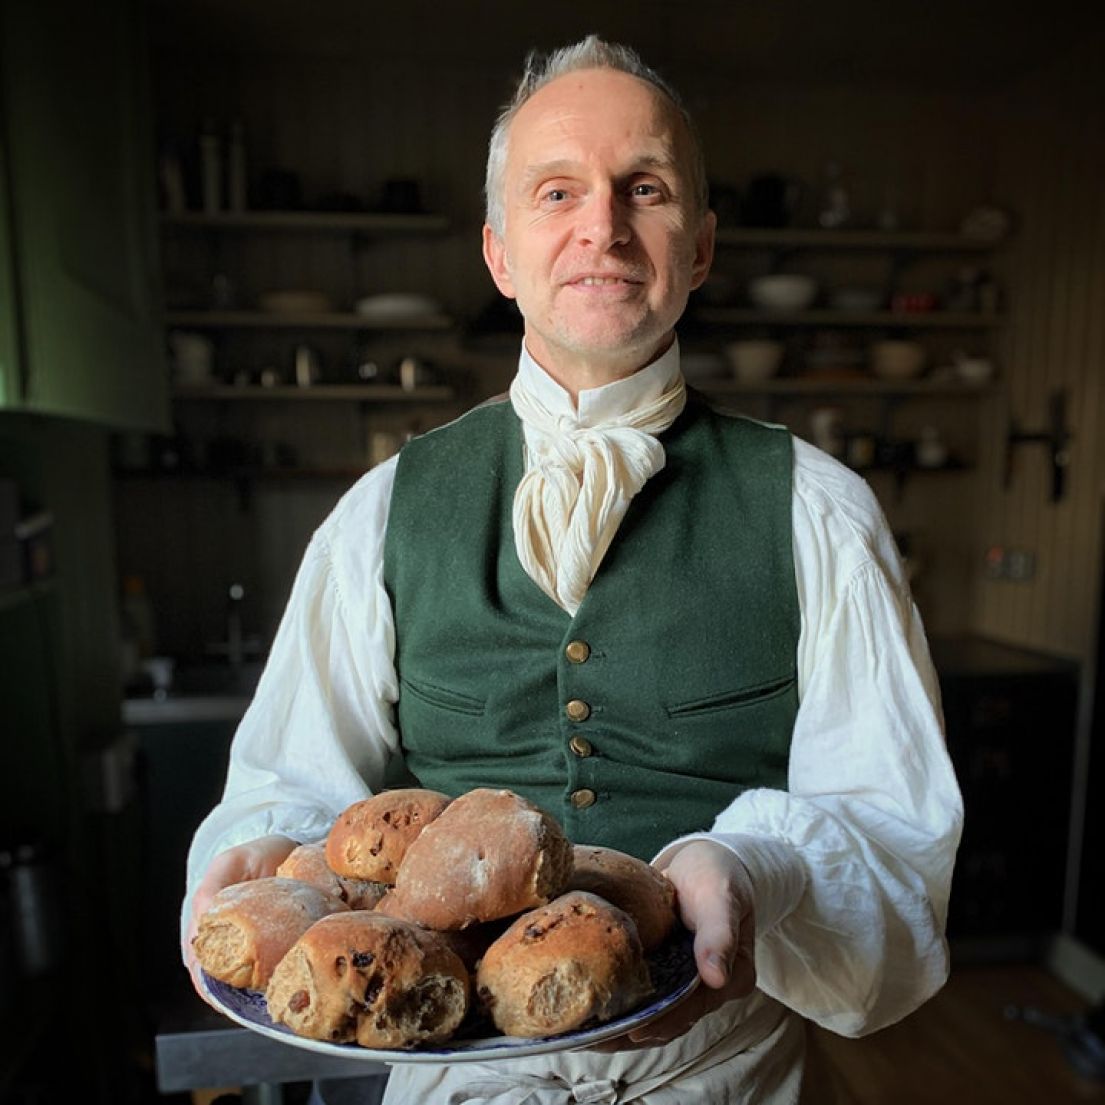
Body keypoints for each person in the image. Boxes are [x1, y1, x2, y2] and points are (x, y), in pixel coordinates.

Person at [183, 35, 963, 1104]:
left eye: (643, 188)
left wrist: (750, 865)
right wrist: (261, 851)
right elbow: (288, 786)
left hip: (723, 1076)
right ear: (499, 252)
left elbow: (895, 837)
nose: (602, 226)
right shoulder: (378, 517)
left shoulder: (817, 512)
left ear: (699, 248)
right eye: (558, 192)